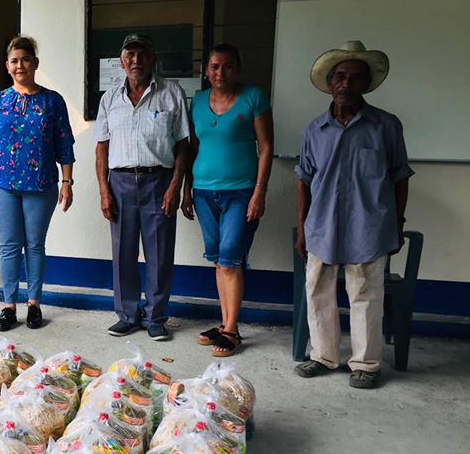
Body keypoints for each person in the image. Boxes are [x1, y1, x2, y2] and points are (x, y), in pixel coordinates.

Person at [294, 40, 413, 389]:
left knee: (365, 294)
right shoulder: (313, 130)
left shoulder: (385, 126)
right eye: (340, 77)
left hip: (369, 226)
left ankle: (366, 363)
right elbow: (303, 182)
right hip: (322, 226)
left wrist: (398, 222)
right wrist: (302, 228)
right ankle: (323, 356)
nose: (346, 83)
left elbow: (400, 177)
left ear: (366, 84)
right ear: (330, 83)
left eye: (354, 77)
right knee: (317, 291)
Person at [0, 35, 75, 331]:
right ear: (7, 65)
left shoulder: (52, 101)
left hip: (41, 185)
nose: (20, 66)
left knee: (35, 246)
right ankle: (8, 306)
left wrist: (67, 181)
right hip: (2, 185)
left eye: (25, 60)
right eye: (14, 61)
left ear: (35, 63)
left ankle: (34, 305)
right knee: (9, 246)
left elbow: (64, 144)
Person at [95, 34, 190, 341]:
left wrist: (175, 185)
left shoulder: (171, 93)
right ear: (121, 61)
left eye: (142, 54)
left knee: (160, 254)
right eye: (130, 54)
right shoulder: (110, 98)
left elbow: (183, 145)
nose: (136, 60)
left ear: (152, 58)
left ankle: (156, 317)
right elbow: (101, 150)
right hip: (120, 182)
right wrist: (104, 191)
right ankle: (127, 315)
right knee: (122, 253)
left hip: (158, 181)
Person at [181, 44, 274, 357]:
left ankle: (231, 331)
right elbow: (193, 148)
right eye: (215, 67)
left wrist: (259, 191)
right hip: (204, 192)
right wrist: (187, 190)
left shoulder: (253, 98)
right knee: (220, 261)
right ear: (206, 70)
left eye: (228, 67)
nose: (221, 73)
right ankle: (225, 324)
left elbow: (266, 146)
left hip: (241, 191)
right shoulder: (197, 102)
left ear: (239, 68)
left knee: (230, 260)